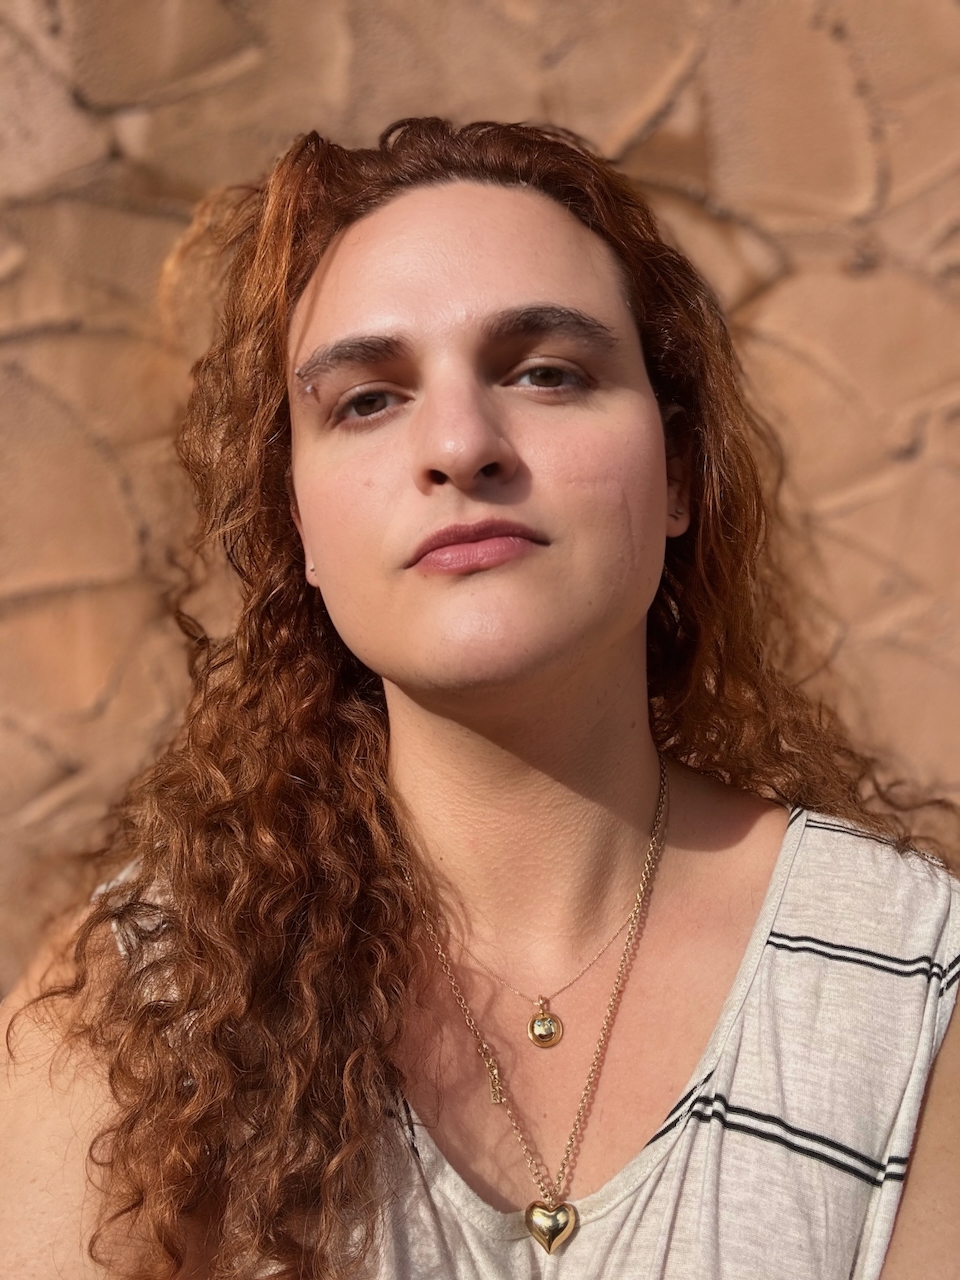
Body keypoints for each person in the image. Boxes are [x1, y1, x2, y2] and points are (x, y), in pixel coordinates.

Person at [1, 117, 958, 1280]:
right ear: (298, 524)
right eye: (365, 398)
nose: (460, 443)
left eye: (547, 371)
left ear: (678, 475)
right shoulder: (141, 1007)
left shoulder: (912, 985)